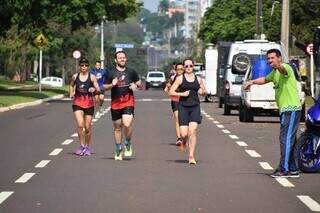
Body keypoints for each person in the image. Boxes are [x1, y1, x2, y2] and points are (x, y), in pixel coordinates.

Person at [244, 49, 302, 178]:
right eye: (268, 59)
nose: (270, 61)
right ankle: (293, 169)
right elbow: (265, 79)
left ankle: (284, 169)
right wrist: (251, 82)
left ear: (279, 58)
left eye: (272, 58)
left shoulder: (285, 67)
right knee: (289, 140)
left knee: (285, 139)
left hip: (291, 109)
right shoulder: (274, 72)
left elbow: (283, 69)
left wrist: (279, 66)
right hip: (285, 110)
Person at [104, 51, 141, 161]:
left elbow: (139, 83)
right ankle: (118, 148)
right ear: (116, 60)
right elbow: (104, 87)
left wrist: (135, 85)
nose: (122, 59)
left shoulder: (131, 72)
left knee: (127, 123)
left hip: (128, 102)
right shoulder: (111, 73)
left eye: (124, 57)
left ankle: (128, 142)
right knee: (117, 128)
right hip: (115, 104)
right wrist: (112, 84)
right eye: (120, 58)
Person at [169, 58, 207, 165]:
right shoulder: (180, 79)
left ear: (193, 66)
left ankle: (191, 156)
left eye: (190, 65)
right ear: (184, 68)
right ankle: (184, 141)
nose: (189, 68)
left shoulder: (198, 79)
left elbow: (201, 90)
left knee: (192, 131)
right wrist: (182, 94)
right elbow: (171, 91)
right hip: (183, 107)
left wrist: (203, 92)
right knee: (184, 134)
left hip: (195, 107)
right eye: (186, 66)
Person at [69, 58, 100, 156]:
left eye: (86, 65)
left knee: (87, 127)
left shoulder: (92, 77)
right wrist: (71, 92)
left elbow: (98, 89)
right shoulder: (75, 76)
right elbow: (71, 85)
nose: (84, 67)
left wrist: (94, 89)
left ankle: (87, 147)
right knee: (80, 125)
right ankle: (81, 145)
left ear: (88, 67)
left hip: (89, 104)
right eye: (82, 65)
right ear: (79, 66)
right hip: (77, 103)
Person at [164, 63, 184, 146]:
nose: (179, 71)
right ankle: (179, 138)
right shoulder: (173, 78)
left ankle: (185, 136)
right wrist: (168, 86)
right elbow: (166, 89)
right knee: (177, 117)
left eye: (181, 69)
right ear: (175, 70)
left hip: (185, 100)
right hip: (175, 99)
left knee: (185, 119)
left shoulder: (187, 78)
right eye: (177, 69)